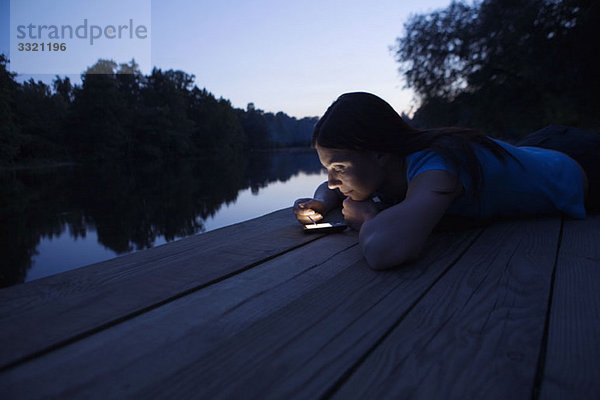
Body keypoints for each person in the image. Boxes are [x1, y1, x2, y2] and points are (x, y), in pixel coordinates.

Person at [293, 92, 599, 270]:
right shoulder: (387, 169)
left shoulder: (437, 168)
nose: (332, 180)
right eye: (327, 169)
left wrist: (371, 217)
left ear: (379, 153)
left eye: (339, 167)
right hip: (537, 147)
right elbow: (330, 186)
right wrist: (323, 201)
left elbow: (384, 249)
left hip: (579, 165)